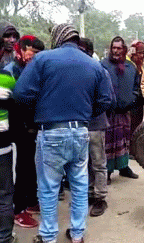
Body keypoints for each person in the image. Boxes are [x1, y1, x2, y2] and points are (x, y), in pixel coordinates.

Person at [13, 23, 113, 243]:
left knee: (48, 188)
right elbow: (107, 99)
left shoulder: (43, 59)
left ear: (57, 38)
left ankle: (48, 236)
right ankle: (77, 235)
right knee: (78, 185)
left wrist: (39, 109)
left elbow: (21, 93)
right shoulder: (94, 64)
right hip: (80, 131)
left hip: (51, 132)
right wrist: (85, 113)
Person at [5, 35, 45, 229]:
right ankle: (18, 210)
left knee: (31, 166)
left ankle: (30, 202)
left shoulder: (28, 68)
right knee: (22, 168)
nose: (35, 57)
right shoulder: (10, 70)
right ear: (22, 49)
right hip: (17, 127)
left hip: (30, 126)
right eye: (34, 52)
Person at [80, 37, 115, 217]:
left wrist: (92, 114)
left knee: (98, 163)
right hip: (81, 125)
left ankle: (100, 198)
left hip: (94, 125)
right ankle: (88, 194)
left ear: (88, 51)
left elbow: (108, 100)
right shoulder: (77, 70)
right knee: (83, 164)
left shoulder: (99, 71)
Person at [101, 36, 139, 184]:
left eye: (119, 48)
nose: (116, 51)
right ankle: (108, 172)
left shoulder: (131, 67)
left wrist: (131, 100)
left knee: (124, 141)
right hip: (108, 113)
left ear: (124, 49)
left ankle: (124, 167)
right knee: (108, 144)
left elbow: (136, 87)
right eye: (114, 48)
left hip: (125, 112)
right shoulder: (103, 65)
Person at [0, 36, 17, 243]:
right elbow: (17, 107)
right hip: (2, 145)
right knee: (4, 194)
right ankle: (4, 237)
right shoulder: (7, 78)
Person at [128, 41, 144, 136]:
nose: (141, 56)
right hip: (130, 106)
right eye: (139, 53)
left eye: (143, 53)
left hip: (139, 105)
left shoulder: (141, 66)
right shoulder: (128, 66)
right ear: (133, 53)